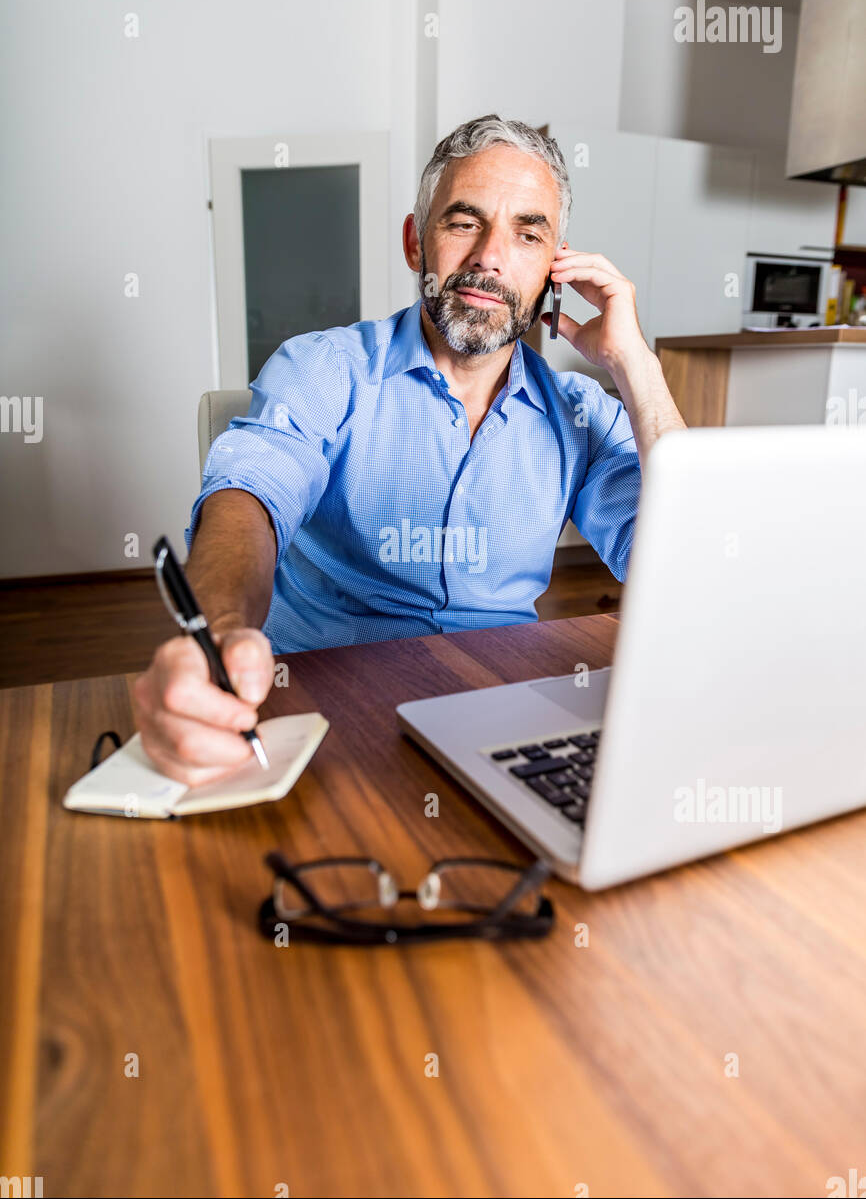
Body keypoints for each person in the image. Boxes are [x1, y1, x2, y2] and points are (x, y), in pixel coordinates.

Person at [133, 113, 685, 785]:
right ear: (415, 243)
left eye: (527, 233)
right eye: (463, 221)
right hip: (325, 712)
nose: (489, 255)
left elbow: (688, 566)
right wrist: (219, 633)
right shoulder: (325, 370)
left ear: (553, 269)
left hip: (507, 716)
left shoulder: (582, 414)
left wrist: (635, 366)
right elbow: (248, 496)